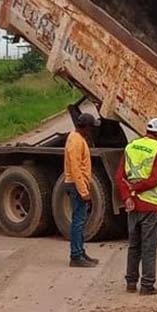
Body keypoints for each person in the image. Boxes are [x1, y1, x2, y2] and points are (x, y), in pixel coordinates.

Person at [116, 117, 157, 295]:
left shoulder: (130, 146)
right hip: (151, 206)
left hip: (132, 205)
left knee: (134, 245)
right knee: (149, 247)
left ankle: (131, 283)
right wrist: (135, 187)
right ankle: (147, 285)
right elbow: (154, 180)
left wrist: (127, 196)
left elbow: (119, 177)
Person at [64, 112, 101, 267]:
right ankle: (76, 255)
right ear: (85, 127)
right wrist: (84, 191)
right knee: (78, 222)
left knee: (80, 221)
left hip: (77, 184)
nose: (92, 130)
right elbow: (75, 168)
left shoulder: (78, 139)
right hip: (76, 185)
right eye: (91, 127)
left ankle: (80, 251)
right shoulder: (75, 141)